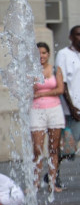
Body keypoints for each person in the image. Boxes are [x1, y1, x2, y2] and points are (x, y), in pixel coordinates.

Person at [31, 42, 65, 192]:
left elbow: (60, 89)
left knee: (53, 149)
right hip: (37, 110)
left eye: (44, 53)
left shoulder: (56, 69)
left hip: (54, 110)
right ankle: (35, 183)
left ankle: (52, 182)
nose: (41, 56)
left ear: (48, 54)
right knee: (37, 149)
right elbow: (28, 91)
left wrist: (43, 93)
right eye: (38, 53)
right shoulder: (31, 71)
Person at [54, 25, 80, 188]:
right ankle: (53, 174)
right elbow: (61, 82)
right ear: (71, 37)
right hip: (72, 111)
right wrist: (72, 108)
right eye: (78, 34)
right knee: (67, 149)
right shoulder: (63, 54)